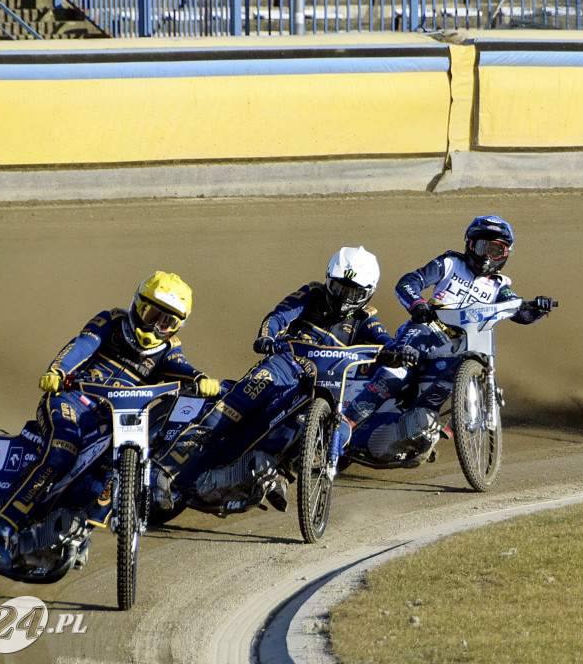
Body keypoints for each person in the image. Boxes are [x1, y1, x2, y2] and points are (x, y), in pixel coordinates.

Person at [0, 271, 221, 569]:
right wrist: (57, 371)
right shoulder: (112, 322)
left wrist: (200, 380)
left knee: (114, 469)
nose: (156, 327)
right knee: (61, 452)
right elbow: (81, 345)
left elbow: (182, 368)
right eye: (151, 314)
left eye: (167, 322)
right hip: (71, 402)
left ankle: (77, 531)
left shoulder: (169, 350)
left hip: (111, 420)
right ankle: (0, 525)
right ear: (137, 304)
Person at [152, 246, 402, 513]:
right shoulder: (311, 295)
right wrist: (267, 337)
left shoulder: (365, 320)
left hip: (319, 385)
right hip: (283, 367)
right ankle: (164, 472)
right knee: (229, 412)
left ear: (367, 293)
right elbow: (278, 316)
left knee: (309, 431)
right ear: (329, 279)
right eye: (339, 287)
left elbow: (386, 341)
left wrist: (398, 351)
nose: (342, 297)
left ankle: (274, 474)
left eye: (352, 292)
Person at [340, 215, 553, 458]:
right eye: (481, 247)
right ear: (469, 245)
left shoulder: (500, 285)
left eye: (495, 250)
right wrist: (418, 305)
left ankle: (428, 435)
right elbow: (408, 283)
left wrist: (536, 309)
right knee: (398, 369)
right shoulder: (450, 263)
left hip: (461, 347)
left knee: (444, 390)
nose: (486, 256)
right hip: (425, 329)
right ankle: (345, 423)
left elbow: (520, 313)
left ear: (505, 253)